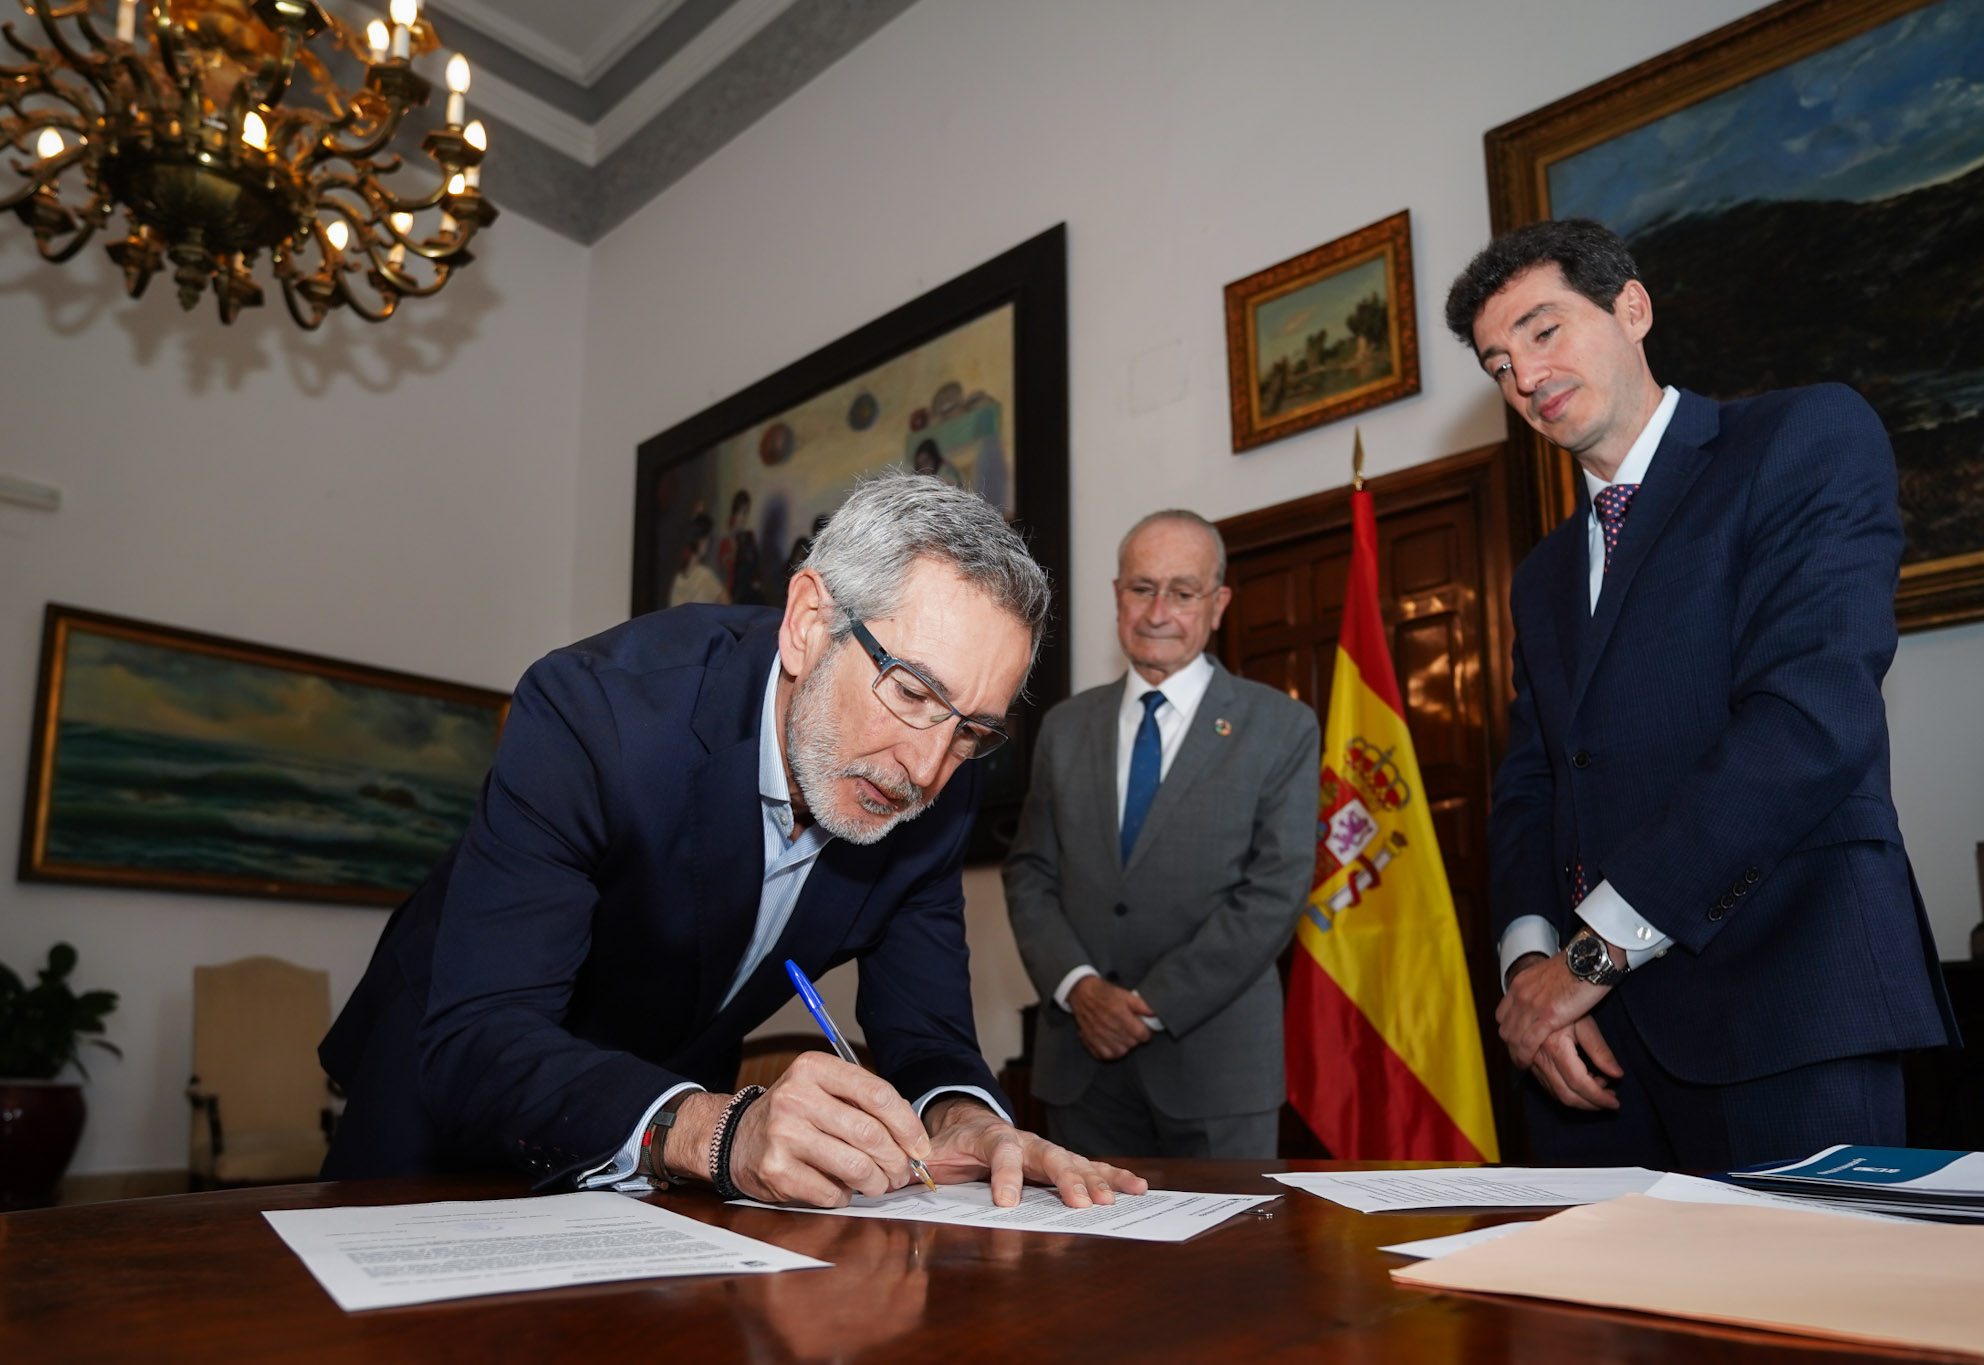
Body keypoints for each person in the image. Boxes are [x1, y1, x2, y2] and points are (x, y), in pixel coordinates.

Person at [321, 470, 1145, 1210]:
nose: (927, 768)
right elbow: (484, 1034)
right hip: (453, 1092)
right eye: (911, 692)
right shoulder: (598, 714)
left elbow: (927, 1032)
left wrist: (967, 1120)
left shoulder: (940, 782)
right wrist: (716, 1131)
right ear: (809, 623)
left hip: (677, 1131)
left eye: (971, 729)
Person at [1443, 219, 1958, 1169]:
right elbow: (1533, 785)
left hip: (1786, 1009)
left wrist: (1590, 956)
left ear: (1632, 308)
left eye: (1544, 331)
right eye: (1499, 364)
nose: (1526, 376)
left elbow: (1809, 720)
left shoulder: (1801, 437)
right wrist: (1529, 968)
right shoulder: (1542, 574)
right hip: (1586, 1055)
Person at [1004, 510, 1318, 1159]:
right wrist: (1079, 987)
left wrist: (1149, 1004)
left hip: (1216, 1070)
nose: (1157, 612)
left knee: (1230, 1233)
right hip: (1081, 1069)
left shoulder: (1281, 727)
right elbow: (1030, 873)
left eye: (1183, 591)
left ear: (1218, 604)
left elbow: (1274, 893)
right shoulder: (1064, 727)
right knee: (1090, 1232)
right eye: (1142, 588)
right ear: (1117, 594)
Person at [668, 512, 729, 608]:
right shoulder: (705, 576)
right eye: (707, 538)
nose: (708, 543)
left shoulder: (678, 580)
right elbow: (727, 605)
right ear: (700, 540)